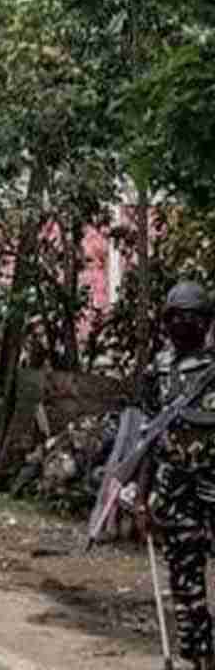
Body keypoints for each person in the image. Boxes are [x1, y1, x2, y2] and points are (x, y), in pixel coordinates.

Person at [133, 281, 215, 670]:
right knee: (186, 590)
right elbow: (147, 438)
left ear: (206, 322)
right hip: (175, 498)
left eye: (191, 317)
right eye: (176, 317)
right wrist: (141, 499)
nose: (183, 323)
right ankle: (198, 657)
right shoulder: (157, 370)